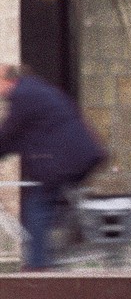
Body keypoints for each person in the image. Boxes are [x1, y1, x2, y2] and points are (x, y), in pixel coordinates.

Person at [0, 65, 108, 271]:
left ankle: (38, 267)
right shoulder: (32, 90)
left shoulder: (24, 95)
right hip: (75, 156)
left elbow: (8, 133)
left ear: (7, 80)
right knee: (49, 206)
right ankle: (55, 248)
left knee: (37, 206)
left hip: (67, 159)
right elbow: (14, 140)